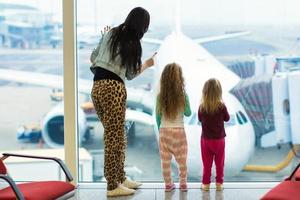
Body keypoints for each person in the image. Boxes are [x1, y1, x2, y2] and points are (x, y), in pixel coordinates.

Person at [90, 7, 156, 197]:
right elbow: (131, 74)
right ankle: (112, 185)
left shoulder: (110, 33)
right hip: (114, 89)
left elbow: (94, 58)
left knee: (117, 135)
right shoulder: (133, 44)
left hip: (97, 88)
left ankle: (120, 177)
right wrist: (148, 64)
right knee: (115, 137)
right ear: (143, 26)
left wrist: (102, 41)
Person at [156, 63, 191, 192]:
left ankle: (168, 184)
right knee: (182, 160)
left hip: (164, 131)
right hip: (179, 131)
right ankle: (183, 183)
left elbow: (158, 116)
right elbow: (188, 113)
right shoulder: (183, 96)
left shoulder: (160, 96)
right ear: (180, 78)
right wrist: (185, 102)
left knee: (165, 161)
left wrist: (161, 129)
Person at [198, 78, 230, 191]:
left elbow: (200, 119)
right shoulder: (222, 106)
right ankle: (219, 184)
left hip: (206, 140)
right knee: (219, 163)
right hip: (219, 140)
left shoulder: (202, 107)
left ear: (204, 92)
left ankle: (206, 184)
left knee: (207, 164)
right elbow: (227, 118)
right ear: (219, 92)